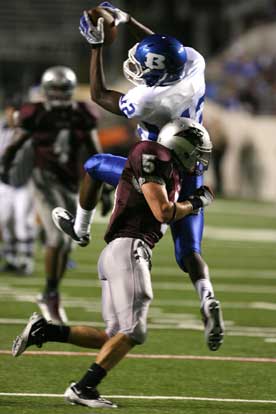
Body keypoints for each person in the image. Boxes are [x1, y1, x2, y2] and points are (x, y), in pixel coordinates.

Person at [12, 117, 220, 409]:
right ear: (181, 146)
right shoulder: (154, 155)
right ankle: (83, 388)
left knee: (113, 335)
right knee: (135, 330)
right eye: (197, 153)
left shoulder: (167, 169)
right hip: (130, 248)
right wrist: (197, 202)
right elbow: (163, 212)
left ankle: (45, 331)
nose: (200, 161)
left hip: (117, 252)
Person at [74, 2, 224, 349]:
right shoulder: (194, 64)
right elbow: (165, 45)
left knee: (95, 165)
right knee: (189, 249)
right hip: (192, 161)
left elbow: (98, 95)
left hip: (154, 167)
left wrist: (96, 47)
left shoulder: (148, 99)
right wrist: (129, 21)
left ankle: (79, 228)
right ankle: (207, 297)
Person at [1, 66, 111, 324]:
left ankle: (52, 290)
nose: (61, 95)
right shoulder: (36, 113)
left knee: (69, 241)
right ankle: (50, 292)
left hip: (72, 183)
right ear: (47, 90)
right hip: (44, 180)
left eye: (64, 90)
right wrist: (5, 167)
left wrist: (105, 189)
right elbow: (16, 143)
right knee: (57, 238)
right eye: (57, 89)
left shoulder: (82, 114)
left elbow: (96, 152)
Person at [0, 100, 36, 275]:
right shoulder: (2, 129)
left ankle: (26, 261)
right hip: (4, 183)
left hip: (24, 182)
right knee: (6, 222)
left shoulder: (29, 132)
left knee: (23, 222)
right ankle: (11, 258)